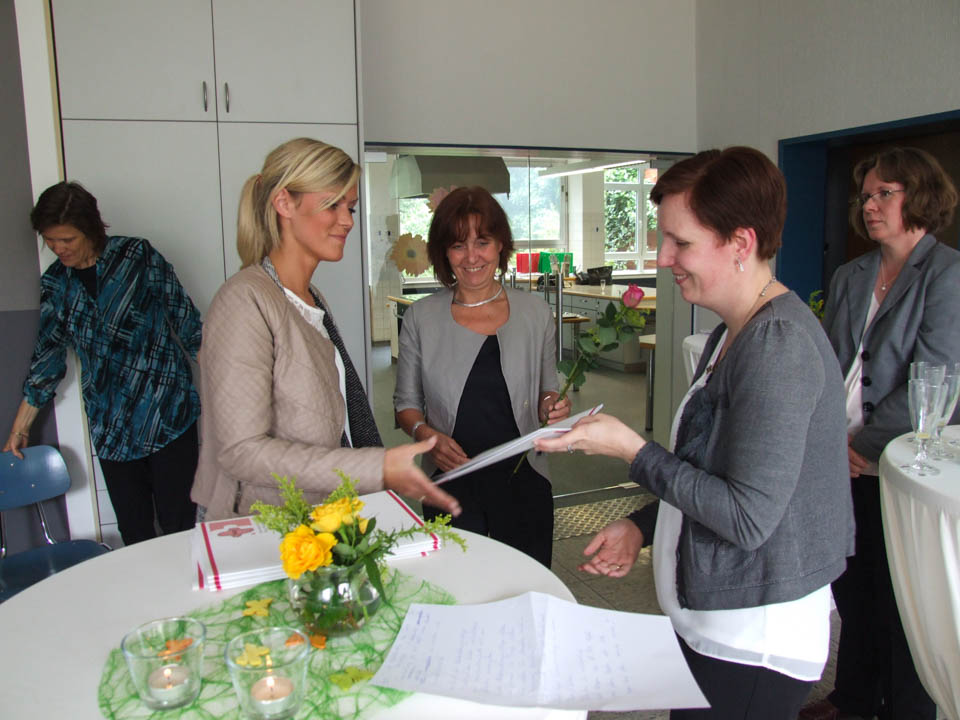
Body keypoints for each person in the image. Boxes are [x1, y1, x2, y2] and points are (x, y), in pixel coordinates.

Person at [535, 147, 854, 718]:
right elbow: (713, 472)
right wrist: (644, 525)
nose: (663, 258)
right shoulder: (733, 331)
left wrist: (631, 450)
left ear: (740, 243)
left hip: (751, 640)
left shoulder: (778, 347)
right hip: (711, 621)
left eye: (680, 242)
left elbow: (747, 516)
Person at [191, 138, 460, 521]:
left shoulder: (310, 298)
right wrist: (374, 466)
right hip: (263, 526)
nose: (347, 220)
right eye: (332, 204)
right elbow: (241, 451)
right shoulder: (244, 301)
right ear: (284, 203)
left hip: (317, 516)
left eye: (350, 207)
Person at [807, 147, 960, 720]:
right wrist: (828, 440)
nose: (869, 205)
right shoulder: (851, 274)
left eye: (884, 194)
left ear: (919, 196)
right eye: (866, 195)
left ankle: (902, 709)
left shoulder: (948, 274)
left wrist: (859, 447)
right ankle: (852, 698)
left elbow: (936, 378)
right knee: (853, 585)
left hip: (894, 459)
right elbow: (826, 364)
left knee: (899, 598)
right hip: (839, 451)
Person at [3, 181, 201, 545]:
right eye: (50, 240)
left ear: (91, 229)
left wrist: (232, 394)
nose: (58, 248)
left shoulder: (138, 257)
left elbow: (189, 326)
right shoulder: (56, 284)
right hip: (112, 429)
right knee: (134, 531)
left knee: (180, 526)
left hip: (168, 415)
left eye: (67, 239)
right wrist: (20, 428)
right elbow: (47, 359)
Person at [393, 186, 570, 567]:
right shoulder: (421, 318)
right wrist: (426, 437)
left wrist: (551, 406)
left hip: (523, 476)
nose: (472, 257)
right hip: (450, 478)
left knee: (526, 583)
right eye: (458, 245)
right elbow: (405, 406)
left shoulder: (535, 313)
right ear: (444, 252)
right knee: (458, 587)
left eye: (482, 242)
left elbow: (548, 389)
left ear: (501, 245)